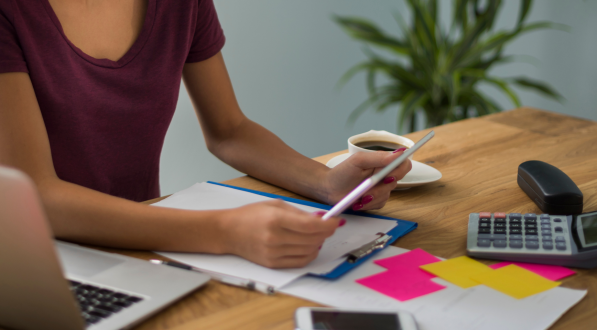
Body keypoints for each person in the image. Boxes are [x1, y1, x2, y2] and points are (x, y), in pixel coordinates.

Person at [0, 0, 411, 268]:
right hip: (34, 262)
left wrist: (326, 182)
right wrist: (227, 232)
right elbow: (38, 194)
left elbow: (229, 130)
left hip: (140, 249)